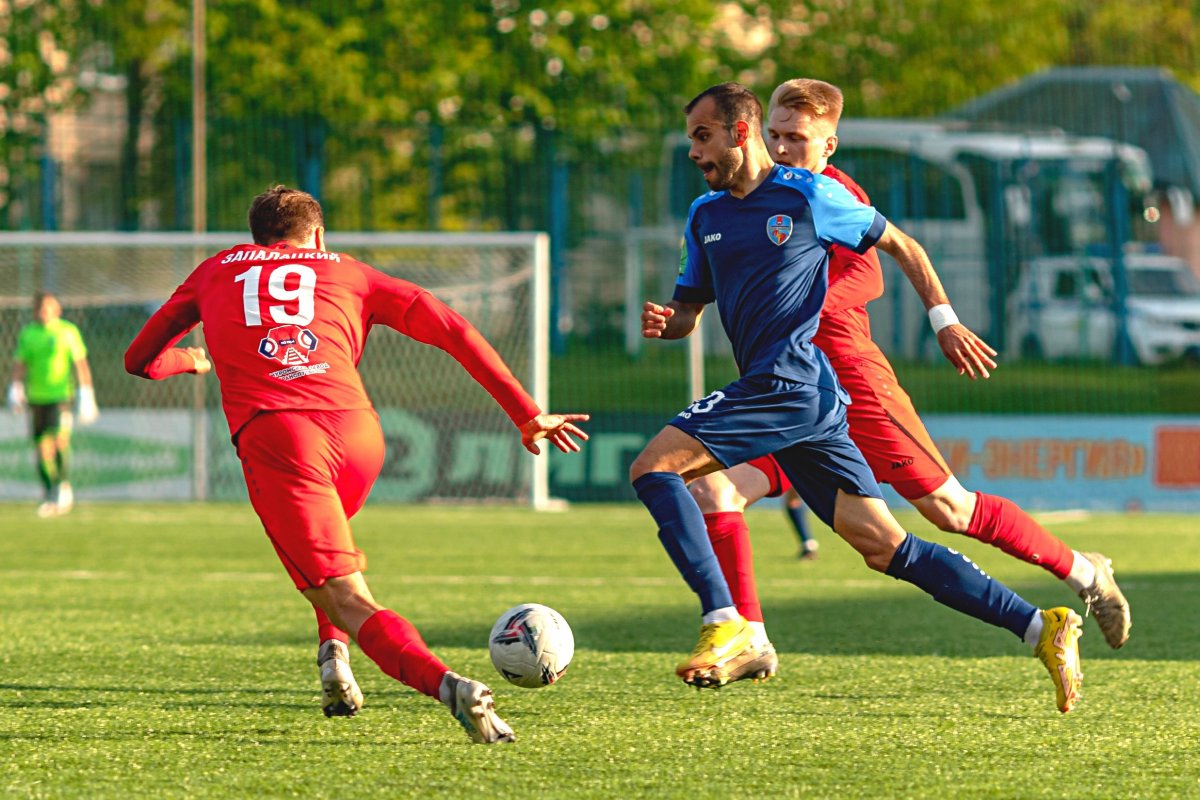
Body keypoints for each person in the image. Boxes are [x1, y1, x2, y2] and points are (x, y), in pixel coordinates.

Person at [631, 82, 1083, 713]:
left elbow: (902, 246)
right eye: (689, 140)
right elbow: (689, 310)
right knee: (884, 547)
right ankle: (1041, 626)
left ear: (740, 133)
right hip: (807, 399)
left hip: (784, 387)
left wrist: (944, 318)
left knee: (653, 467)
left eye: (701, 137)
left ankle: (726, 622)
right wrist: (668, 323)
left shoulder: (813, 196)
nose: (692, 152)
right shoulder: (705, 215)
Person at [124, 185, 588, 744]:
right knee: (331, 574)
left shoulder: (216, 270)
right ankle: (333, 656)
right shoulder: (349, 271)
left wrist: (194, 359)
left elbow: (139, 360)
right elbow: (452, 329)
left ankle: (450, 687)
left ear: (256, 239)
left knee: (343, 593)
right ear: (317, 235)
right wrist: (526, 412)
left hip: (282, 439)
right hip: (359, 434)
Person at [7, 291, 98, 517]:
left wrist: (86, 393)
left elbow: (80, 363)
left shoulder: (68, 332)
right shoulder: (29, 334)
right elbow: (20, 363)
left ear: (57, 309)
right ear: (36, 311)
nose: (45, 311)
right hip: (37, 397)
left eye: (49, 307)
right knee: (41, 447)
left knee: (59, 440)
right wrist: (15, 388)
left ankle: (63, 486)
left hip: (61, 397)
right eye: (41, 308)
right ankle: (49, 493)